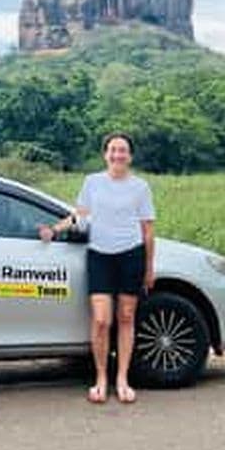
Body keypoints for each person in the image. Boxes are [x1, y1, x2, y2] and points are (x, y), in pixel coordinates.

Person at [39, 132, 155, 405]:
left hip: (131, 255)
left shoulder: (140, 187)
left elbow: (148, 231)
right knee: (102, 320)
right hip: (100, 256)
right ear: (105, 154)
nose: (117, 155)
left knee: (126, 316)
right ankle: (101, 378)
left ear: (130, 156)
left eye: (122, 150)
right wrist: (54, 230)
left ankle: (122, 379)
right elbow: (79, 216)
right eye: (113, 149)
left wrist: (149, 268)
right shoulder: (92, 182)